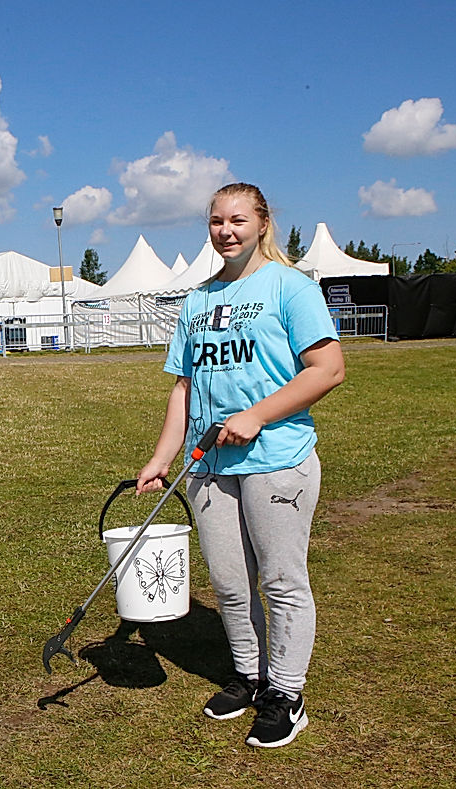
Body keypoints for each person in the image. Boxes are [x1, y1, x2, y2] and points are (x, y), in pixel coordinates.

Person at [136, 182, 344, 749]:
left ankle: (286, 694)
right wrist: (161, 458)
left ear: (261, 224)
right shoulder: (197, 300)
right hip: (209, 466)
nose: (225, 231)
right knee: (229, 583)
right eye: (215, 221)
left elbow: (327, 369)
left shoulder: (290, 287)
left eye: (236, 220)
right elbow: (184, 386)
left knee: (280, 581)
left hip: (277, 459)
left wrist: (257, 414)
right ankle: (249, 676)